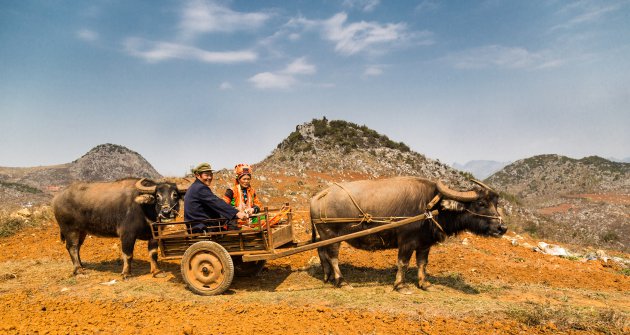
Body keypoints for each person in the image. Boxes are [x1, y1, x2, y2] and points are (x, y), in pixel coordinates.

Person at [184, 162, 249, 233]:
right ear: (197, 175)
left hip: (198, 224)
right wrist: (237, 213)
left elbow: (214, 203)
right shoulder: (200, 188)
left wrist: (233, 210)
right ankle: (236, 238)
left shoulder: (195, 187)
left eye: (211, 175)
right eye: (206, 175)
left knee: (227, 215)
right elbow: (216, 202)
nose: (209, 177)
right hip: (202, 226)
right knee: (231, 219)